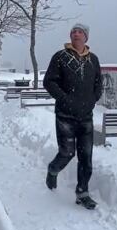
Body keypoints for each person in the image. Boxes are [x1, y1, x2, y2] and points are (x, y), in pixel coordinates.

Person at [43, 23, 102, 210]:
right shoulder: (60, 57)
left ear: (86, 37)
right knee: (67, 152)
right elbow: (49, 82)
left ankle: (82, 192)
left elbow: (98, 83)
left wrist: (93, 99)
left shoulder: (93, 60)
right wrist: (65, 99)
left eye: (80, 32)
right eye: (74, 32)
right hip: (65, 115)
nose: (76, 34)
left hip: (86, 116)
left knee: (86, 156)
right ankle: (53, 170)